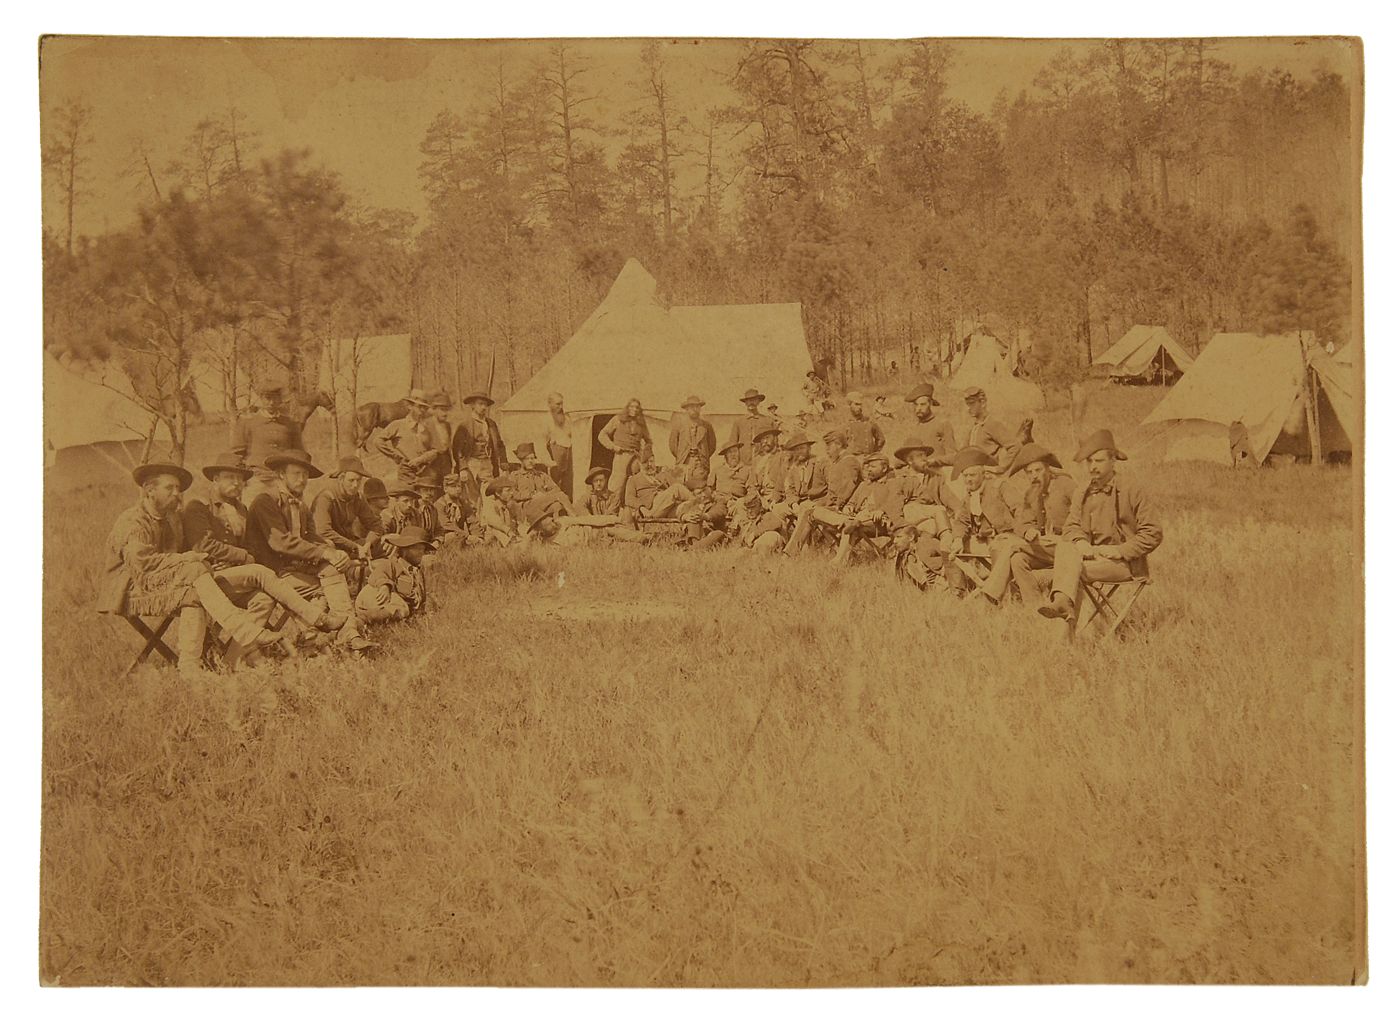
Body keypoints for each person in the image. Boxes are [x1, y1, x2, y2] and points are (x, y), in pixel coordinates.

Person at [99, 462, 294, 679]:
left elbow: (190, 549)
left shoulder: (173, 518)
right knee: (194, 571)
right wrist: (188, 559)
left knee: (202, 593)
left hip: (171, 580)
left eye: (178, 490)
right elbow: (142, 565)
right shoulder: (133, 521)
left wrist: (207, 561)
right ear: (149, 490)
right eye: (169, 488)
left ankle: (200, 666)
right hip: (131, 587)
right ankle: (243, 635)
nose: (176, 494)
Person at [245, 449, 371, 653]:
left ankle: (343, 634)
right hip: (269, 572)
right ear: (281, 474)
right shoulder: (264, 501)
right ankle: (319, 638)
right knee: (326, 587)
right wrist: (325, 553)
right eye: (296, 474)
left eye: (305, 475)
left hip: (294, 570)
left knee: (331, 572)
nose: (302, 479)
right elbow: (281, 543)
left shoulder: (301, 505)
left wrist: (333, 550)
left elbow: (312, 538)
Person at [1038, 430, 1163, 621]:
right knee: (1067, 551)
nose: (1092, 467)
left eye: (1099, 461)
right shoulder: (1083, 490)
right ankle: (1063, 616)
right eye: (1089, 462)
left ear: (1113, 460)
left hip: (1124, 564)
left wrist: (1120, 550)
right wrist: (1081, 543)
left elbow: (1153, 532)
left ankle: (1064, 637)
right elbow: (1071, 526)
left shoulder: (1132, 489)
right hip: (1089, 558)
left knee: (1069, 573)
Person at [978, 443, 1077, 605]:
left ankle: (992, 592)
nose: (1034, 476)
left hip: (1069, 547)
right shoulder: (1031, 492)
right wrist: (1028, 531)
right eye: (1029, 472)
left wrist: (1066, 536)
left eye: (1038, 470)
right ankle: (1035, 607)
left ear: (1048, 469)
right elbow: (1022, 522)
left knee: (1012, 546)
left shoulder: (1066, 485)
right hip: (1047, 547)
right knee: (1018, 559)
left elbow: (1082, 517)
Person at [229, 382, 305, 505]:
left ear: (280, 400)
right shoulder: (248, 423)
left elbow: (299, 454)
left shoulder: (290, 424)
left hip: (284, 480)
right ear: (261, 399)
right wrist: (243, 478)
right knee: (254, 515)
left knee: (289, 516)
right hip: (257, 479)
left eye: (275, 399)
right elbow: (237, 454)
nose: (271, 403)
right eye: (267, 398)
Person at [355, 526, 433, 623]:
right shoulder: (393, 564)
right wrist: (385, 586)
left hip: (390, 603)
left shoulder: (417, 572)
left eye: (423, 549)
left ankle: (375, 620)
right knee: (401, 606)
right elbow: (378, 573)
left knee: (402, 607)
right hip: (373, 596)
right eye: (417, 549)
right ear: (404, 550)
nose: (421, 553)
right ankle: (362, 620)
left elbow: (418, 596)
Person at [310, 456, 383, 561]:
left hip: (349, 545)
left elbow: (375, 525)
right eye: (351, 480)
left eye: (358, 481)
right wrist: (355, 547)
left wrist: (368, 544)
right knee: (329, 545)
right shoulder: (326, 498)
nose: (355, 485)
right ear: (341, 479)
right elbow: (323, 531)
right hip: (327, 545)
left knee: (388, 542)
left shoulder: (358, 498)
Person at [376, 389, 451, 490]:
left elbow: (435, 450)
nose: (422, 411)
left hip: (425, 472)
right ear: (409, 406)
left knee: (425, 501)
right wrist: (396, 456)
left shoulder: (426, 427)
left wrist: (421, 459)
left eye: (424, 408)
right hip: (406, 472)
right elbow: (378, 441)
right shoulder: (398, 425)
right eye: (419, 407)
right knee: (407, 500)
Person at [522, 495, 649, 547]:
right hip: (596, 544)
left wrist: (612, 519)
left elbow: (586, 519)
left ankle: (648, 538)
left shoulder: (563, 521)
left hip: (600, 530)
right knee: (631, 547)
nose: (551, 520)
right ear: (540, 529)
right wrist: (531, 535)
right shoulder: (550, 544)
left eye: (549, 517)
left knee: (636, 537)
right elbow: (522, 550)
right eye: (546, 521)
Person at [598, 397, 654, 510]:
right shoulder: (617, 420)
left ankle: (635, 511)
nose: (634, 409)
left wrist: (644, 455)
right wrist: (613, 447)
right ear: (627, 408)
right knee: (617, 485)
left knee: (637, 483)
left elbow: (649, 441)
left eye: (637, 407)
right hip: (621, 456)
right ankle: (611, 511)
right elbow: (602, 435)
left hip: (636, 457)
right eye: (631, 406)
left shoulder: (641, 424)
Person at [620, 447, 693, 527]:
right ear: (640, 464)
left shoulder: (662, 474)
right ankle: (699, 503)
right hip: (651, 508)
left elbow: (681, 488)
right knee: (677, 488)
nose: (649, 465)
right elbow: (629, 498)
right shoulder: (634, 479)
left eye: (651, 461)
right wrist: (641, 507)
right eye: (645, 462)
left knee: (686, 508)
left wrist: (667, 475)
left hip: (666, 508)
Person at [452, 390, 508, 489]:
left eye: (485, 405)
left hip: (487, 463)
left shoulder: (491, 424)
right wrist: (463, 468)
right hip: (471, 463)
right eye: (480, 404)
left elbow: (499, 445)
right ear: (473, 405)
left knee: (489, 492)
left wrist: (503, 463)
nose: (483, 407)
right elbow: (457, 450)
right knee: (471, 495)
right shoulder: (465, 425)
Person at [959, 386, 1020, 473]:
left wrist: (1001, 468)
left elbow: (1015, 446)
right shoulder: (974, 427)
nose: (968, 408)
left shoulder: (993, 424)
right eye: (967, 404)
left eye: (971, 403)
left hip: (988, 477)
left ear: (983, 403)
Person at [509, 442, 573, 513]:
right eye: (527, 459)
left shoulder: (542, 475)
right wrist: (532, 495)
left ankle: (563, 522)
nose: (530, 461)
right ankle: (575, 518)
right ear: (521, 460)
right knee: (561, 496)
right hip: (527, 506)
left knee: (556, 506)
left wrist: (543, 495)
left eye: (532, 458)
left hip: (543, 504)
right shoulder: (515, 476)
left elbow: (556, 489)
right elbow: (512, 494)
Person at [904, 383, 957, 466]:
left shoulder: (942, 424)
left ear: (930, 403)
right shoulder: (914, 428)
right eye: (916, 405)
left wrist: (934, 461)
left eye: (922, 404)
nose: (918, 409)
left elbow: (953, 457)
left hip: (937, 472)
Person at [729, 388, 777, 465]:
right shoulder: (738, 422)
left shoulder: (767, 420)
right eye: (748, 400)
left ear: (758, 401)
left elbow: (774, 444)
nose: (751, 402)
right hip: (743, 463)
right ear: (745, 403)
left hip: (762, 463)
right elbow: (732, 445)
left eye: (754, 400)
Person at [669, 395, 717, 469]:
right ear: (687, 409)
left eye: (697, 407)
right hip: (684, 462)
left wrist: (703, 455)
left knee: (700, 480)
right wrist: (682, 455)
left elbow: (712, 446)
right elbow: (673, 446)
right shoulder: (679, 425)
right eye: (691, 407)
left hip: (701, 463)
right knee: (683, 480)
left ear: (700, 409)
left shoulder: (706, 426)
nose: (694, 409)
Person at [543, 391, 574, 497]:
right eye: (557, 404)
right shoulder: (546, 420)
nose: (560, 407)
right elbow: (542, 442)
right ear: (550, 404)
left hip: (569, 452)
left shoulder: (568, 418)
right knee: (555, 482)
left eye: (561, 404)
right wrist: (548, 460)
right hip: (555, 453)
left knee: (569, 482)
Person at [843, 392, 885, 456]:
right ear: (849, 405)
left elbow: (881, 439)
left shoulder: (869, 422)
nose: (859, 407)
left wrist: (874, 452)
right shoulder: (845, 424)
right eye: (856, 404)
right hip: (852, 459)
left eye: (860, 404)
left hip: (868, 458)